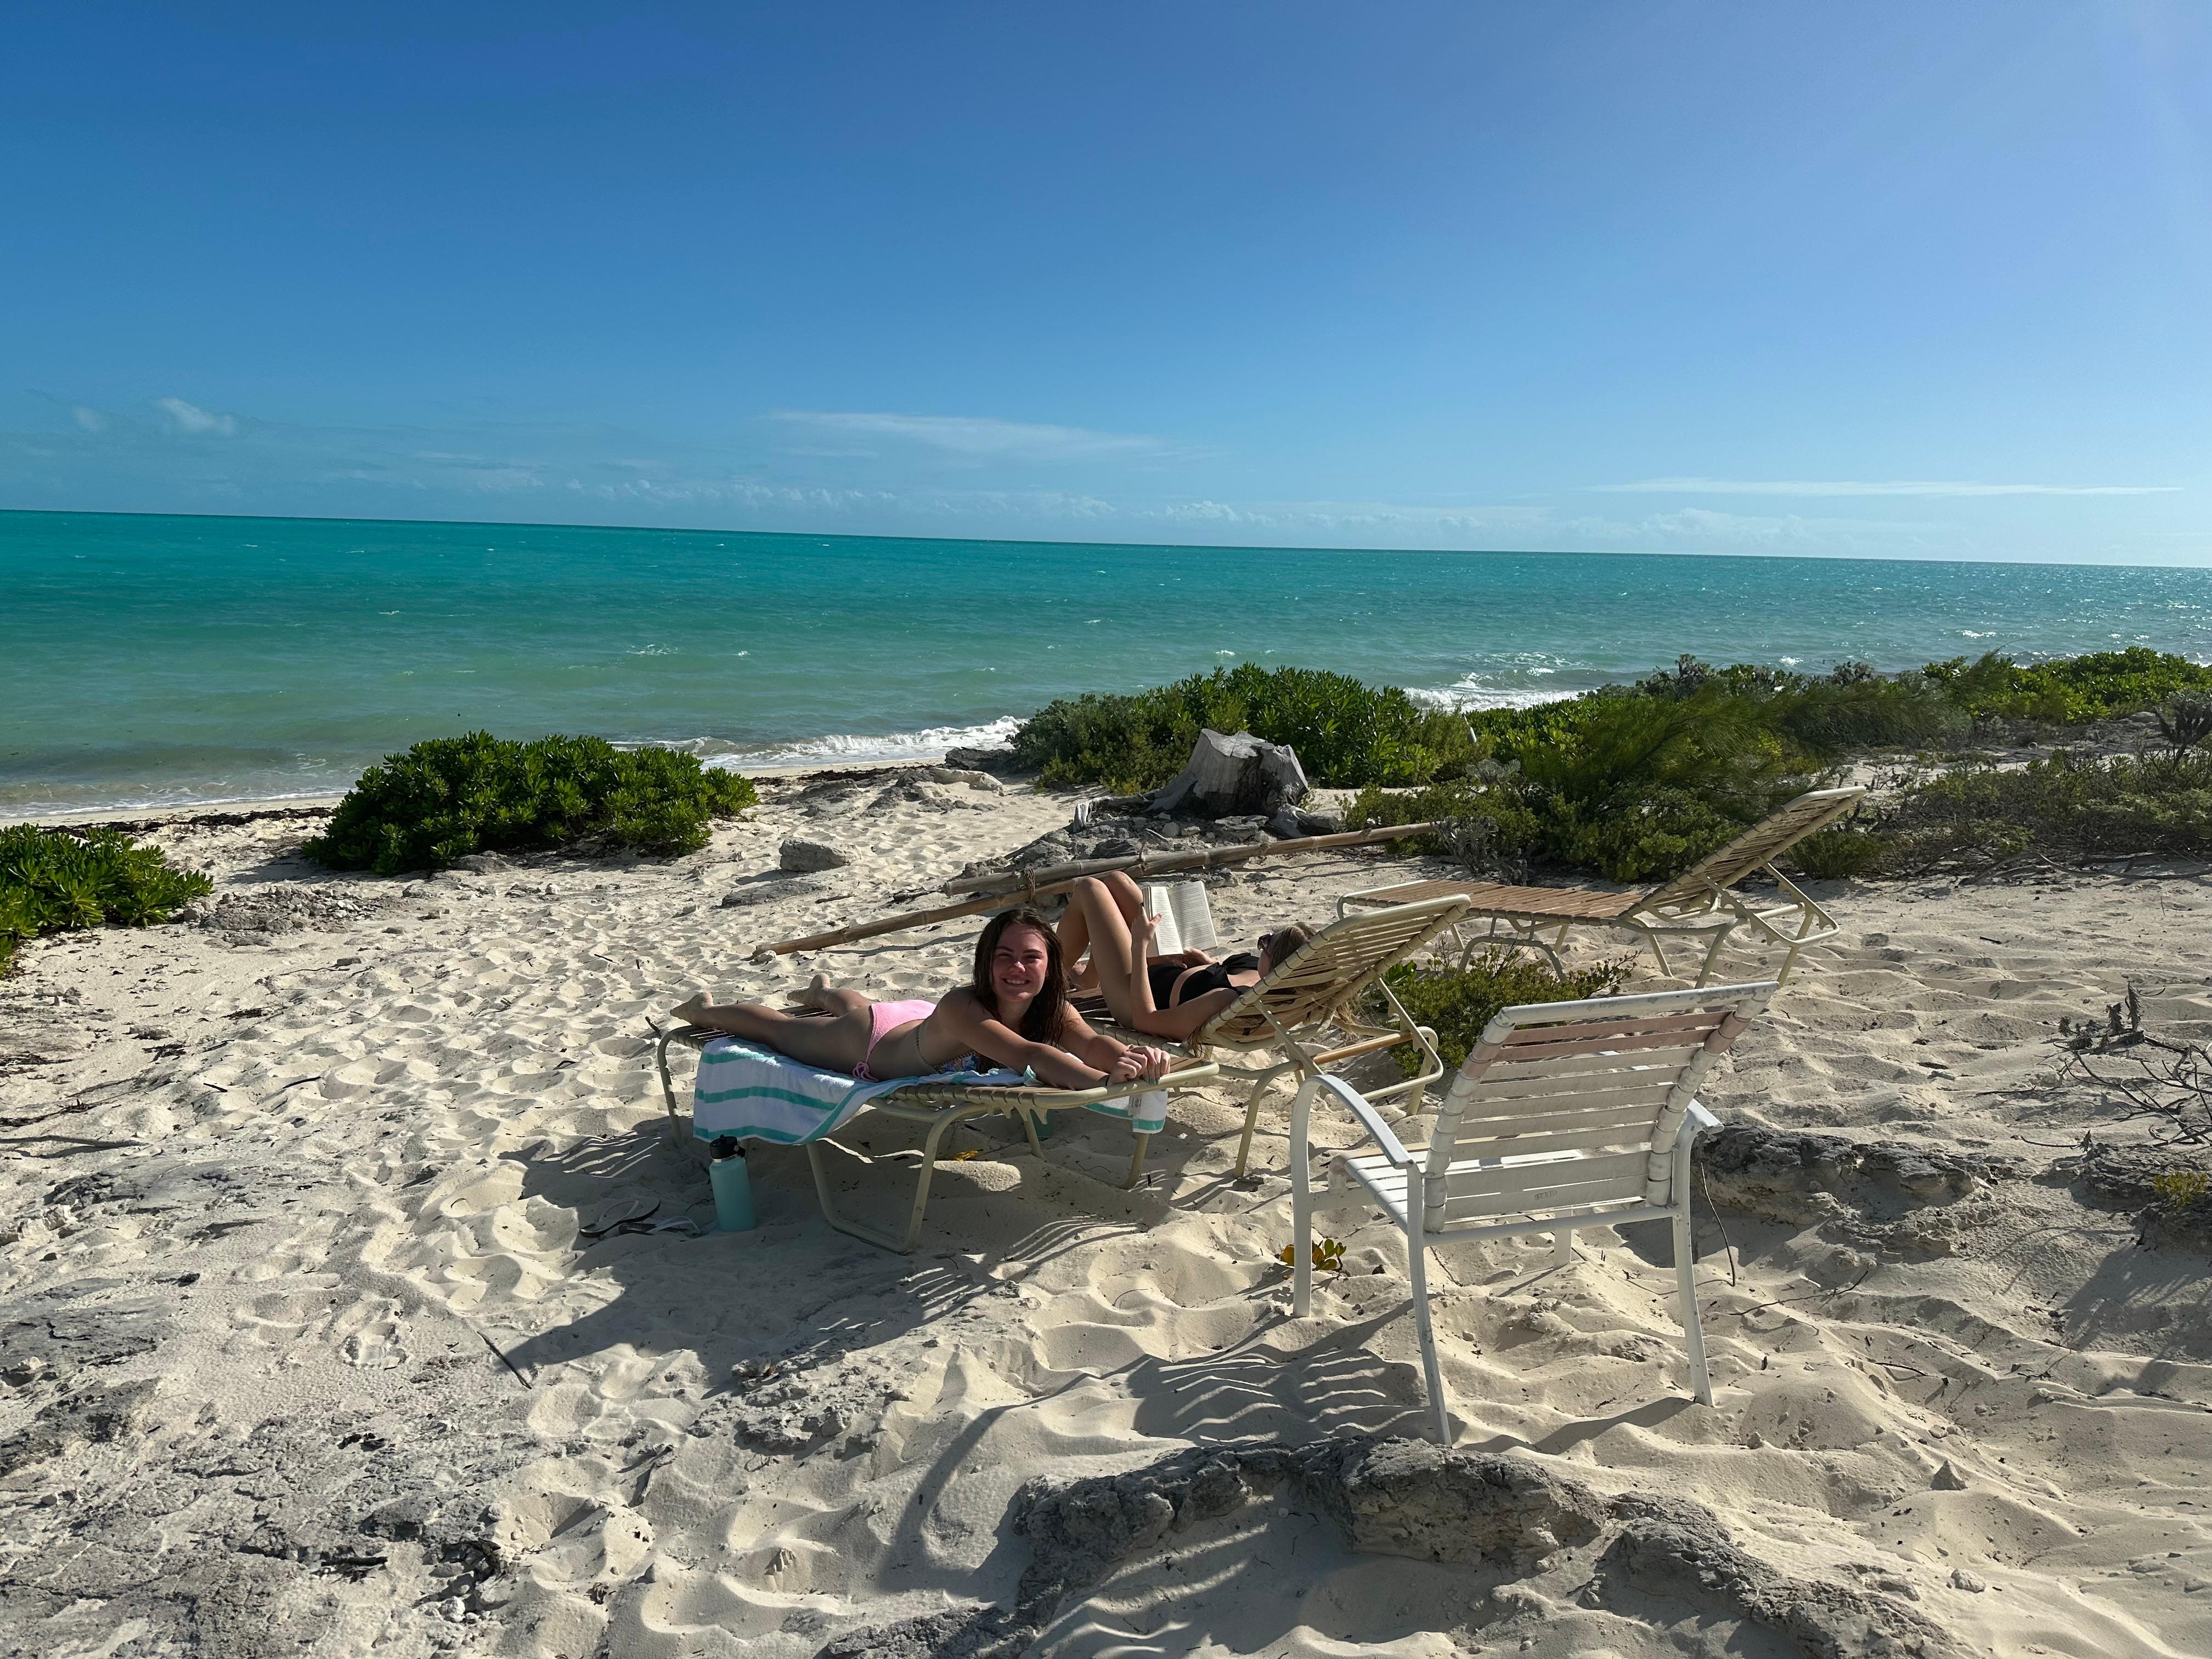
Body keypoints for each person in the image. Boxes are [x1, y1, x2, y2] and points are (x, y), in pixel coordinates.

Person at [669, 906, 1173, 1090]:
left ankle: (823, 990)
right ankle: (705, 1009)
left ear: (1050, 963)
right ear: (985, 963)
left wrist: (1133, 1060)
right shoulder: (963, 1004)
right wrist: (1110, 1084)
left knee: (853, 1001)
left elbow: (1088, 1043)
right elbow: (1032, 1055)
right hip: (871, 1043)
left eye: (1031, 957)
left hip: (918, 1026)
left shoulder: (1052, 1005)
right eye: (1004, 956)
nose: (1017, 969)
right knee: (780, 1028)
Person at [1056, 871, 1313, 1042]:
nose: (1261, 944)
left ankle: (1047, 980)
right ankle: (1088, 979)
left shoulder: (1226, 1001)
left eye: (1267, 943)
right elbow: (1221, 980)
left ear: (1282, 968)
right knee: (1116, 881)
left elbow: (1147, 1021)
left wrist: (1140, 946)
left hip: (1133, 998)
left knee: (1091, 889)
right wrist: (1209, 965)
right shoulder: (1263, 981)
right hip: (1172, 972)